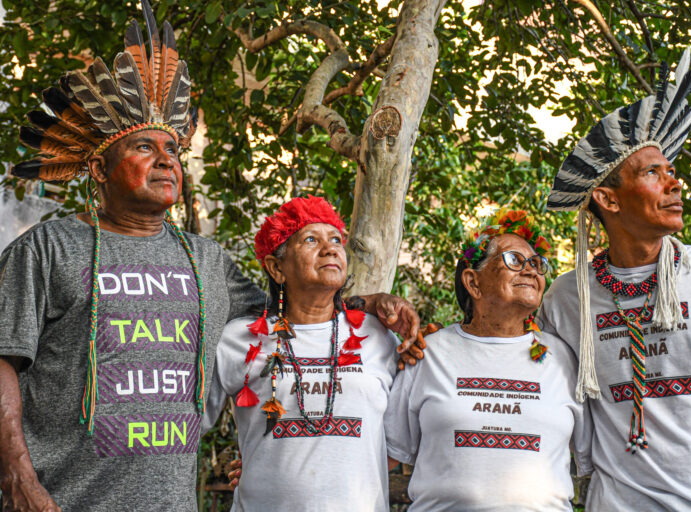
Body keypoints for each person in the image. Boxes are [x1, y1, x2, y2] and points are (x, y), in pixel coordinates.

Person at [0, 5, 420, 511]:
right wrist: (18, 479)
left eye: (173, 149)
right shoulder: (47, 249)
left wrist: (368, 301)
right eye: (143, 147)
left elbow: (292, 309)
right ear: (97, 166)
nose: (166, 159)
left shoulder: (207, 261)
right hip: (62, 499)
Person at [540, 48, 691, 511]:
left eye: (671, 171)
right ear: (608, 198)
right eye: (652, 173)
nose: (674, 183)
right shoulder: (567, 299)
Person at [384, 205, 592, 511]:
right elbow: (385, 455)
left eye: (536, 263)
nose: (531, 270)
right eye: (514, 260)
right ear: (473, 282)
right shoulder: (428, 353)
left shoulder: (564, 358)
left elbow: (597, 459)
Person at [203, 196, 404, 511]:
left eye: (336, 239)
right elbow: (186, 424)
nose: (330, 248)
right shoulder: (237, 340)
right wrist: (261, 460)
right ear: (276, 267)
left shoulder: (377, 336)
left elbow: (399, 443)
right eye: (311, 239)